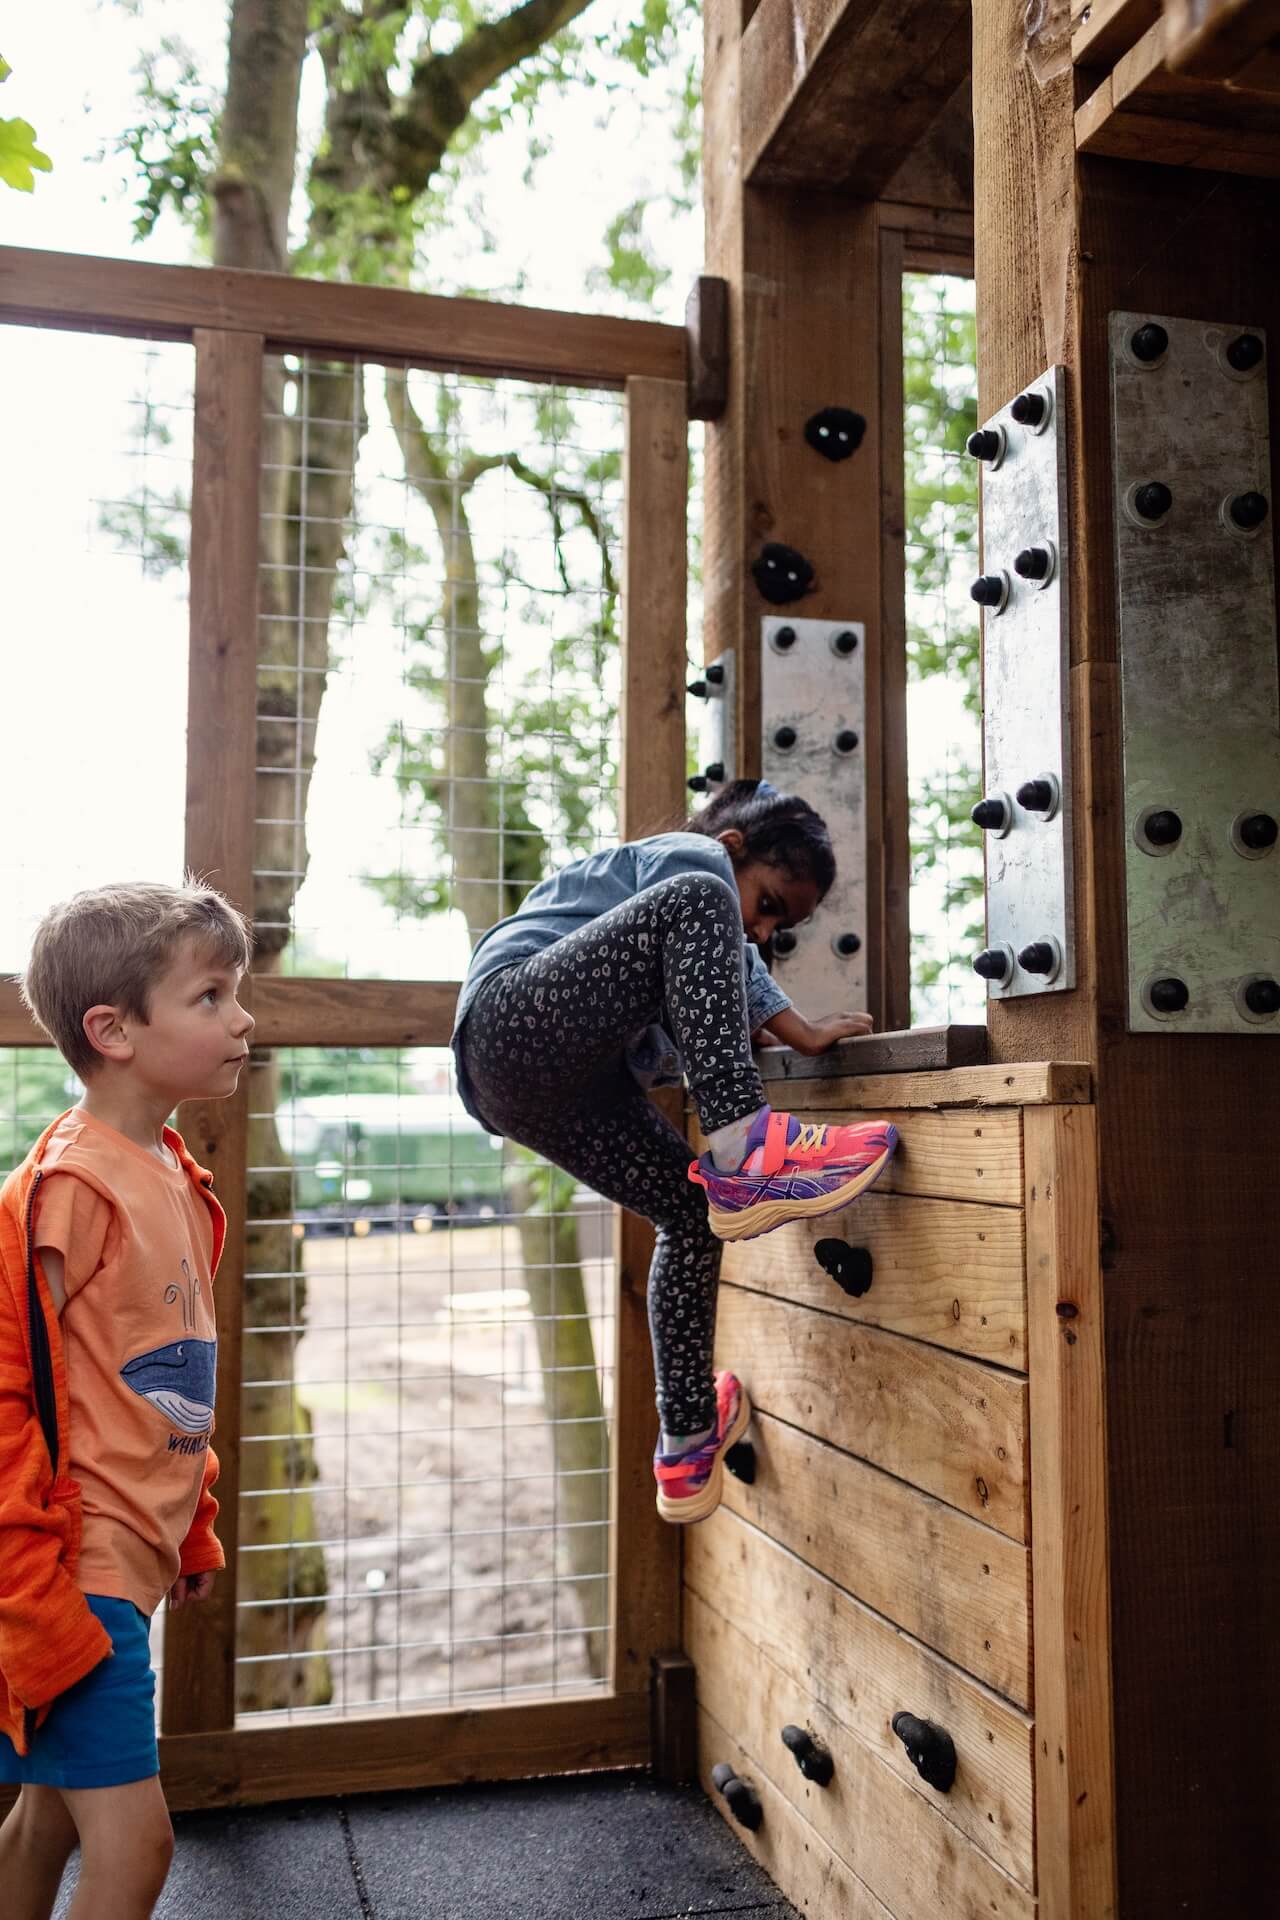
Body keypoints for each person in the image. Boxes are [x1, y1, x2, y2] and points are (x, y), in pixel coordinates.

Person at [452, 778, 898, 1527]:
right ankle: (748, 1157)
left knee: (692, 1215)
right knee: (700, 901)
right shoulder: (690, 859)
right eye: (768, 905)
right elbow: (707, 908)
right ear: (736, 849)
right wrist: (798, 1028)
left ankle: (688, 1440)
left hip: (550, 1091)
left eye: (779, 928)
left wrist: (750, 1025)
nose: (762, 934)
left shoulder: (692, 944)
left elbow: (704, 1003)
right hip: (508, 1023)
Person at [0, 880, 254, 1920]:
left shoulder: (170, 1171)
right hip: (74, 1576)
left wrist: (189, 1530)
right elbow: (11, 1393)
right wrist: (31, 1597)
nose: (242, 1019)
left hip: (128, 1563)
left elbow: (161, 1382)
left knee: (45, 1818)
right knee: (137, 1849)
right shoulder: (74, 1189)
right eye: (209, 997)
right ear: (113, 1030)